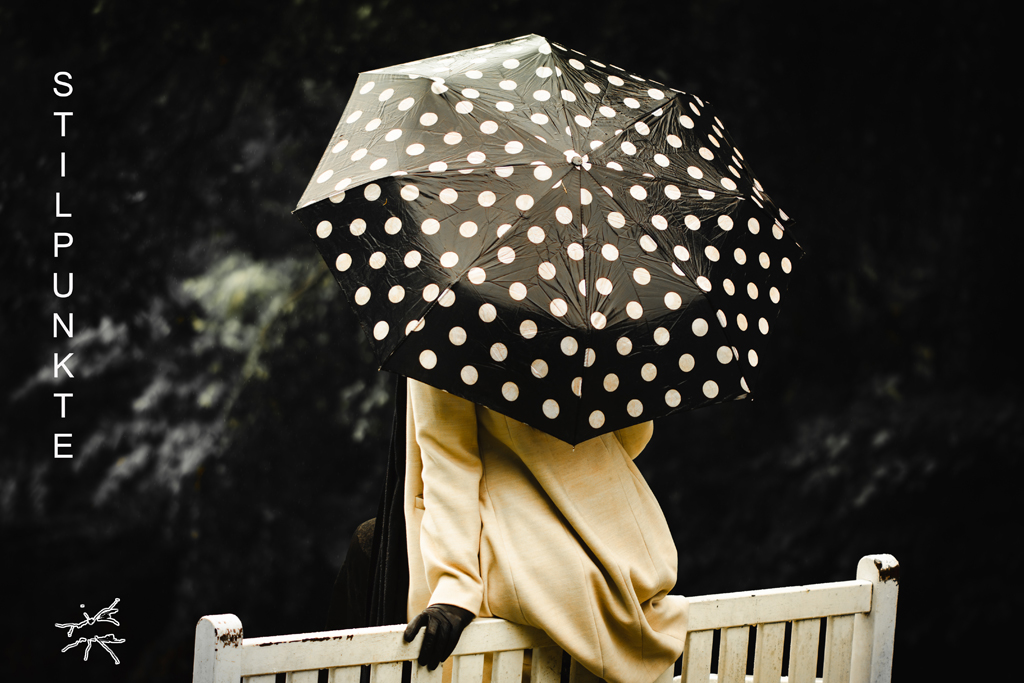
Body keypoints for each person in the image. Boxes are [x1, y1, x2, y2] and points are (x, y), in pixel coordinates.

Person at [401, 379, 688, 683]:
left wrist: (455, 585)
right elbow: (632, 439)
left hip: (523, 567)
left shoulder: (451, 334)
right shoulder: (607, 332)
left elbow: (448, 457)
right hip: (628, 548)